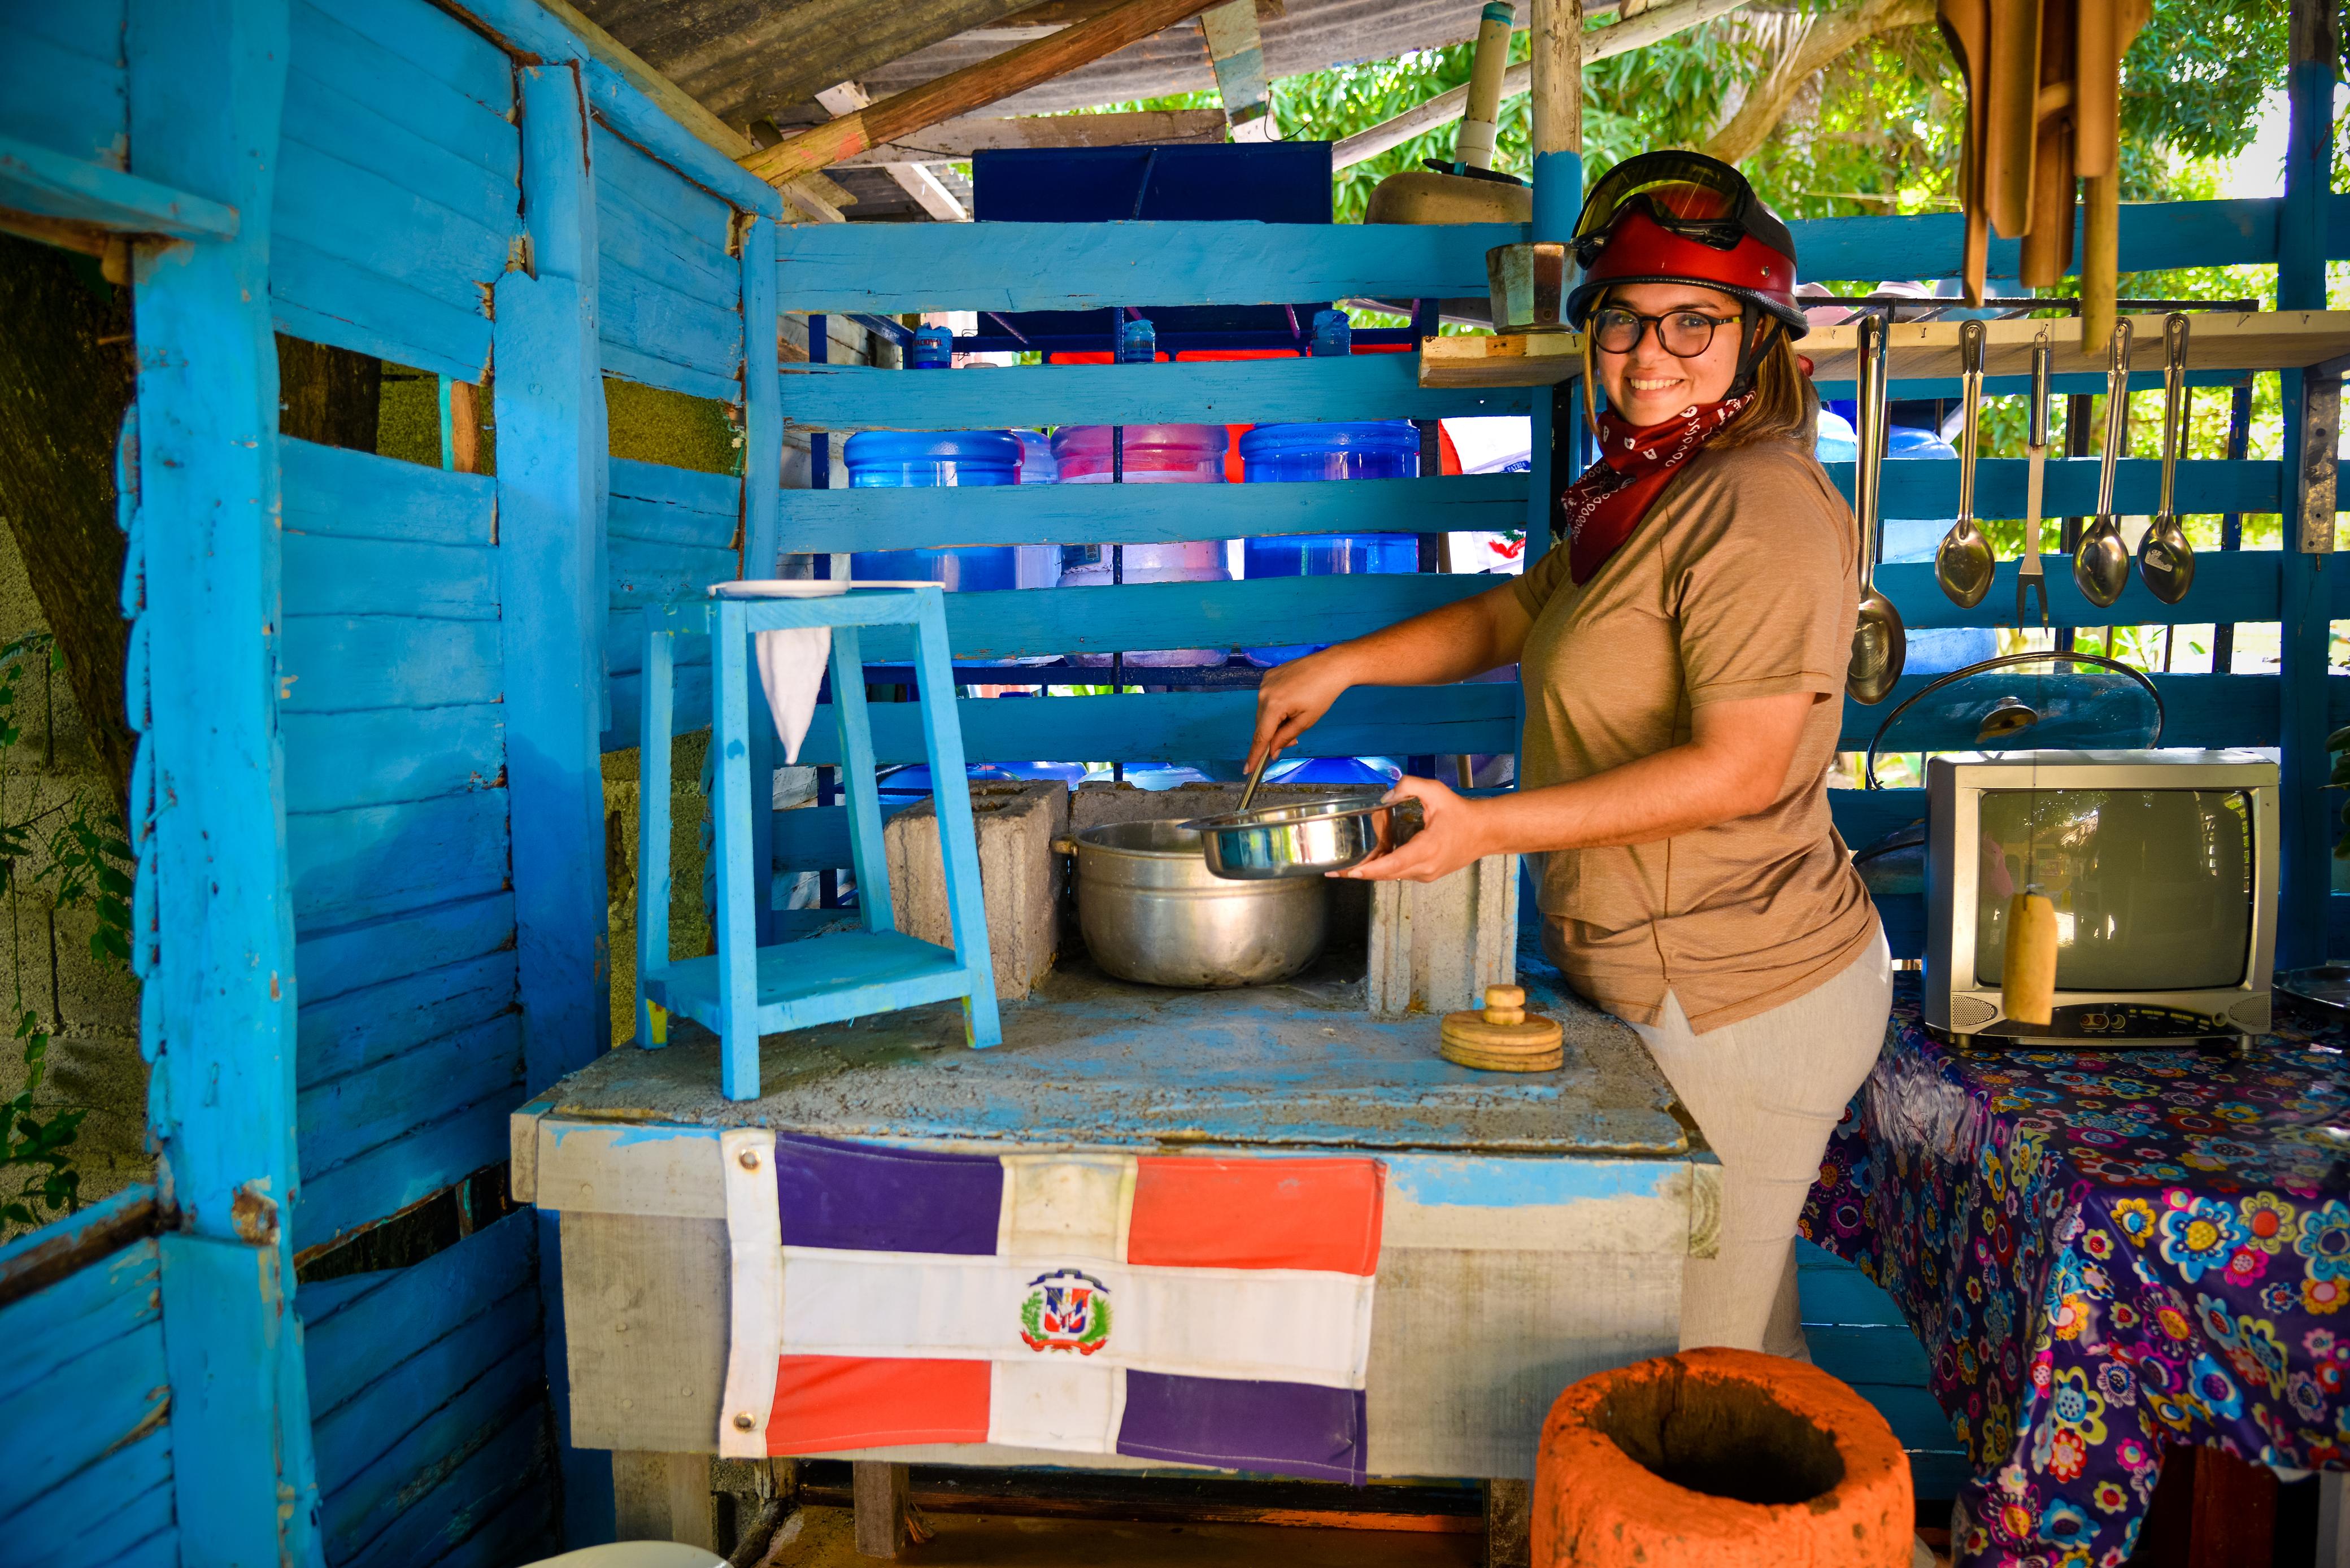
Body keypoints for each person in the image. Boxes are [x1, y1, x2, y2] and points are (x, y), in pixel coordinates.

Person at [1244, 151, 1890, 1357]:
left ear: (1758, 339)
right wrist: (1340, 663)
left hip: (1743, 993)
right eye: (1623, 325)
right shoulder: (1642, 489)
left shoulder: (1761, 504)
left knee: (1696, 1370)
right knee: (1754, 1352)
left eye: (1692, 323)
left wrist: (1484, 828)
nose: (1649, 356)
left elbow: (1741, 768)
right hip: (1676, 977)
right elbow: (1517, 614)